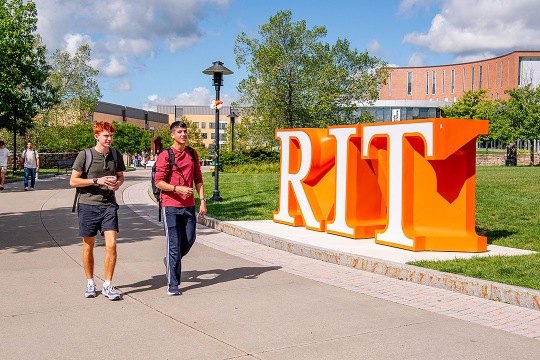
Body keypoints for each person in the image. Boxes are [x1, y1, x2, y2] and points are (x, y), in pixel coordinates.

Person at [70, 121, 126, 300]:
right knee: (89, 245)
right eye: (106, 136)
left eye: (111, 136)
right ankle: (90, 282)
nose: (109, 138)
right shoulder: (85, 155)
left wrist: (117, 184)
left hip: (109, 205)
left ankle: (108, 285)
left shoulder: (116, 155)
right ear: (97, 136)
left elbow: (121, 176)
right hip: (88, 205)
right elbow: (73, 181)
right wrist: (96, 181)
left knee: (111, 244)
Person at [154, 121, 207, 296]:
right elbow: (159, 182)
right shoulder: (166, 155)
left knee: (189, 240)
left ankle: (169, 260)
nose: (183, 134)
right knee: (174, 245)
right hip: (170, 205)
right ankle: (173, 285)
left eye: (185, 131)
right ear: (172, 135)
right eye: (179, 132)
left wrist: (203, 200)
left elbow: (198, 178)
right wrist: (177, 188)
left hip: (189, 205)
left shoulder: (192, 153)